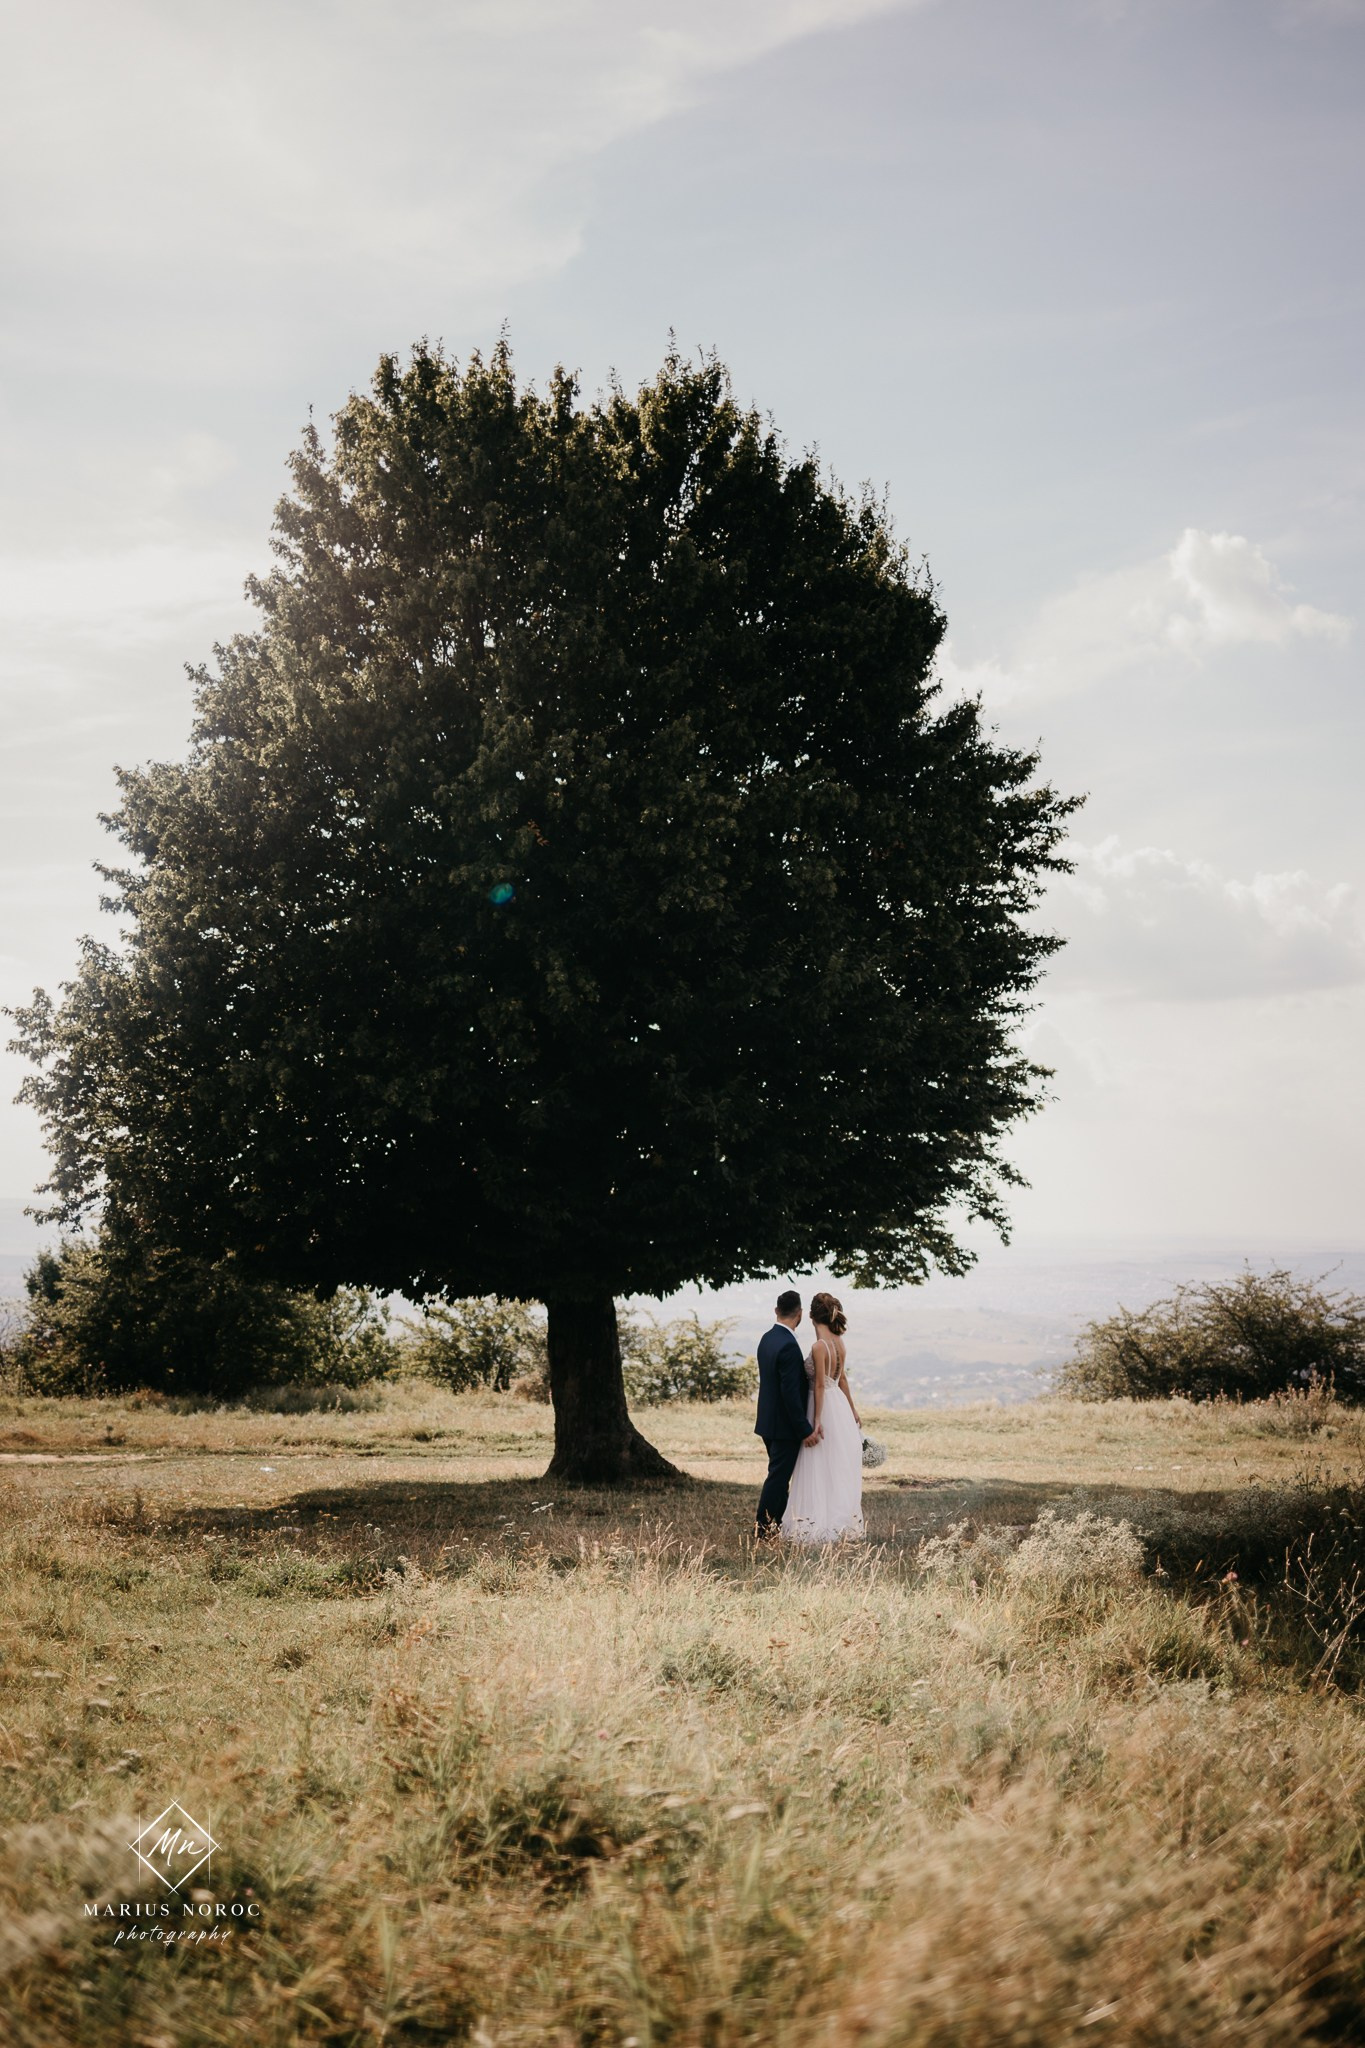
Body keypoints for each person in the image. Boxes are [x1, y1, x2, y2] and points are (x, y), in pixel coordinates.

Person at [781, 1290, 865, 1543]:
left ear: (810, 1317)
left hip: (822, 1406)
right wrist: (851, 1410)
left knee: (816, 1465)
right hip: (838, 1406)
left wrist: (816, 1421)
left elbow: (819, 1385)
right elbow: (843, 1380)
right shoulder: (840, 1342)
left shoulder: (819, 1346)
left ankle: (816, 1525)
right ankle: (838, 1523)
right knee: (835, 1465)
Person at [754, 1289, 820, 1538]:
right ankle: (763, 1528)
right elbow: (790, 1394)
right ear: (800, 1314)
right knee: (778, 1478)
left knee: (779, 1476)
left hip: (767, 1422)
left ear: (776, 1311)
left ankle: (776, 1525)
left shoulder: (767, 1338)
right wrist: (804, 1429)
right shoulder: (789, 1347)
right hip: (783, 1426)